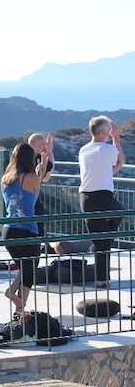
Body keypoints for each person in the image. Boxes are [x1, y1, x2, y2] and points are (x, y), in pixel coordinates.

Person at [1, 143, 48, 313]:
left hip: (8, 231)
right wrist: (40, 173)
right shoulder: (33, 178)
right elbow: (34, 199)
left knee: (25, 265)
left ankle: (13, 291)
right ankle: (20, 308)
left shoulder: (5, 179)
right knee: (29, 271)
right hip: (27, 231)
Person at [79, 116, 125, 288]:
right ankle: (101, 278)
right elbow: (119, 158)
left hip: (86, 197)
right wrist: (117, 138)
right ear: (104, 132)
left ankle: (102, 279)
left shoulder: (84, 149)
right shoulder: (107, 149)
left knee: (101, 240)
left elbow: (106, 169)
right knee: (120, 214)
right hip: (103, 195)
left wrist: (116, 166)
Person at [28, 132, 54, 236]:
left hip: (26, 196)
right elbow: (46, 176)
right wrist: (49, 152)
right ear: (40, 145)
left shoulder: (27, 157)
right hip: (32, 197)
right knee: (38, 218)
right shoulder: (38, 160)